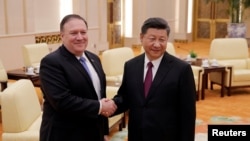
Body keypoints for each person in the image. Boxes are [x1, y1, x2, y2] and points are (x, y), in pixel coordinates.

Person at [112, 17, 196, 141]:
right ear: (141, 37)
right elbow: (125, 97)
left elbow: (188, 115)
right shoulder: (131, 66)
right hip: (137, 136)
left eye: (162, 40)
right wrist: (104, 107)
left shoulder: (182, 70)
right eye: (152, 39)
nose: (157, 44)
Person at [39, 14, 117, 141]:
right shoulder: (51, 62)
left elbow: (100, 96)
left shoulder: (94, 58)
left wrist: (103, 132)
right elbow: (62, 101)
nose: (80, 37)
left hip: (92, 133)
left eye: (83, 32)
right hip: (65, 134)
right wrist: (100, 106)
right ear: (62, 36)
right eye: (74, 33)